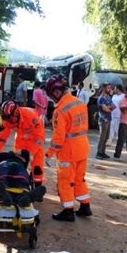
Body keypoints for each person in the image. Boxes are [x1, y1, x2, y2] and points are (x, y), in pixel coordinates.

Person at [45, 74, 92, 222]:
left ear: (57, 92)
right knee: (79, 179)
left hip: (68, 152)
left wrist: (49, 154)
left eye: (51, 95)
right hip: (83, 148)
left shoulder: (60, 110)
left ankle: (68, 211)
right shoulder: (80, 104)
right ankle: (85, 206)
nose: (52, 99)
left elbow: (59, 137)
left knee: (65, 181)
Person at [0, 100, 45, 186]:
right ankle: (22, 182)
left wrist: (31, 153)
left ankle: (38, 186)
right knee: (19, 162)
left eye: (9, 118)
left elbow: (39, 137)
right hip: (21, 140)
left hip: (35, 140)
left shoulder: (32, 117)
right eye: (7, 119)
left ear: (16, 113)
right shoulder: (10, 118)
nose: (9, 121)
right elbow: (2, 137)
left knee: (37, 167)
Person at [96, 83, 115, 160]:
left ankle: (103, 152)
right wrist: (109, 107)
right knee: (102, 137)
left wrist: (108, 107)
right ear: (104, 88)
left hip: (108, 119)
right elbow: (105, 109)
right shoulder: (101, 98)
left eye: (110, 87)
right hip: (103, 119)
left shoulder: (109, 97)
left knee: (106, 137)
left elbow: (114, 106)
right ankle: (98, 153)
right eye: (108, 88)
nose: (109, 89)